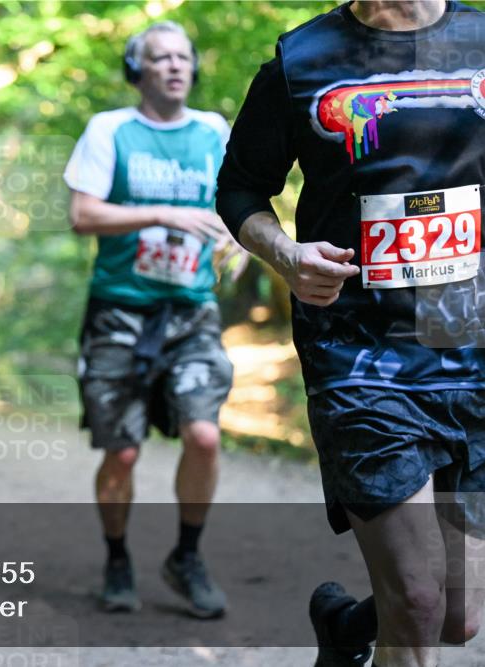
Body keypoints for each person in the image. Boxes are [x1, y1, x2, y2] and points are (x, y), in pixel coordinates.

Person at [216, 1, 484, 665]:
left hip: (470, 348)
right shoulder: (301, 60)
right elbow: (240, 189)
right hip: (358, 355)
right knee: (418, 603)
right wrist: (287, 255)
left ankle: (347, 626)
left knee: (458, 614)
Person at [63, 21, 247, 617]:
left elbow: (234, 209)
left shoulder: (214, 132)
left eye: (182, 57)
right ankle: (118, 559)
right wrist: (163, 211)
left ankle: (186, 556)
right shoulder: (110, 130)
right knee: (121, 453)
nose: (174, 66)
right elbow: (83, 215)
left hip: (191, 312)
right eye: (159, 57)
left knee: (204, 435)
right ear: (135, 69)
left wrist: (239, 246)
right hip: (118, 311)